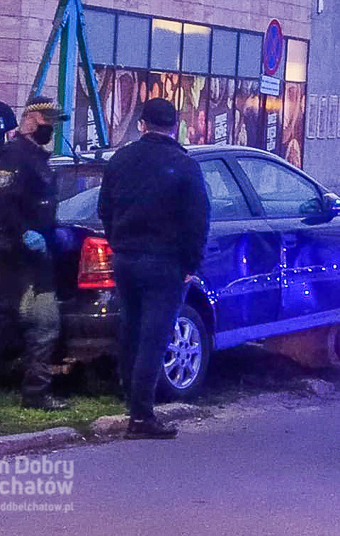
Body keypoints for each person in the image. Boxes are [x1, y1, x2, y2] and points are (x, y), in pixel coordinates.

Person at [98, 98, 210, 440]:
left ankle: (128, 395)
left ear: (142, 124)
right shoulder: (184, 165)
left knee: (131, 329)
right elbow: (197, 220)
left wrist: (117, 242)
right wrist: (191, 263)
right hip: (165, 262)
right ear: (174, 126)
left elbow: (104, 208)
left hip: (126, 257)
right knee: (154, 337)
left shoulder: (121, 159)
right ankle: (142, 416)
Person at [0, 96, 69, 411]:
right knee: (40, 324)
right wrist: (24, 233)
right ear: (32, 120)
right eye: (49, 122)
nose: (52, 128)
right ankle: (34, 392)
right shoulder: (14, 155)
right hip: (19, 256)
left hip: (36, 255)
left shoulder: (35, 157)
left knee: (16, 327)